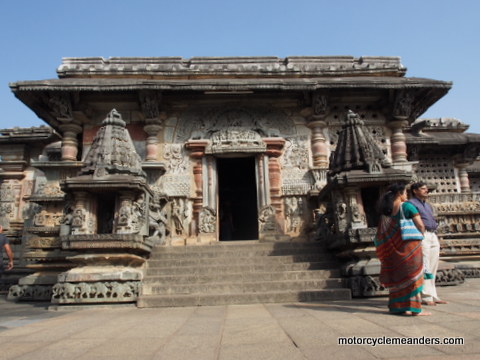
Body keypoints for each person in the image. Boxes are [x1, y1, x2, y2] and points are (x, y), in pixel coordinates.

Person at [374, 183, 431, 316]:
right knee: (413, 278)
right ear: (399, 194)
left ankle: (398, 307)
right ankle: (415, 309)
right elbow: (420, 225)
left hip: (394, 249)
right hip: (410, 247)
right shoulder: (407, 206)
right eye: (405, 192)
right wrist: (421, 235)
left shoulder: (386, 212)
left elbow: (381, 235)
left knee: (399, 278)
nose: (406, 195)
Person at [408, 182, 448, 306]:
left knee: (433, 265)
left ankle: (433, 294)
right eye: (423, 189)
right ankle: (426, 295)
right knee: (425, 265)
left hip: (432, 234)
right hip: (422, 234)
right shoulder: (411, 204)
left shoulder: (427, 205)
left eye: (426, 189)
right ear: (415, 191)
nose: (426, 191)